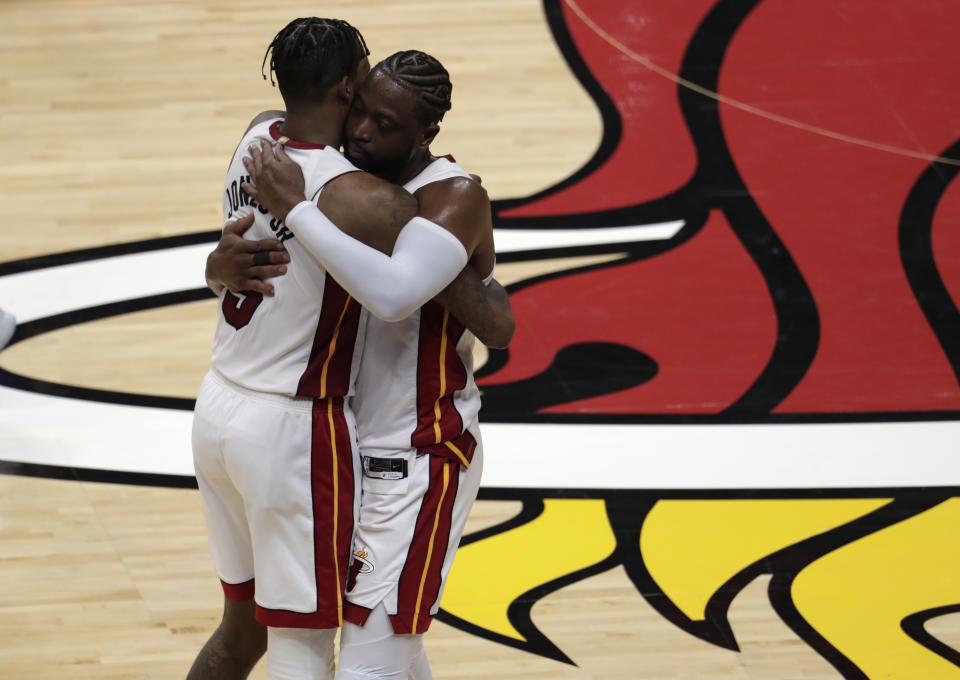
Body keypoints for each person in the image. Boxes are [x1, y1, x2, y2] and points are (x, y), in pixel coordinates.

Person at [194, 19, 513, 680]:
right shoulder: (346, 184)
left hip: (414, 453)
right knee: (370, 649)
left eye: (386, 124)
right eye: (362, 110)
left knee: (360, 659)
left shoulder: (439, 200)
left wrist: (296, 208)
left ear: (426, 135)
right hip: (329, 443)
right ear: (348, 90)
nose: (364, 131)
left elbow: (412, 298)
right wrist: (217, 266)